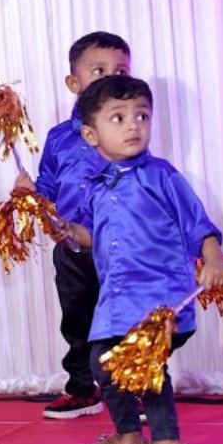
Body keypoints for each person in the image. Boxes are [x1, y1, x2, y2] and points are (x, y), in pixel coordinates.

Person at [65, 76, 223, 444]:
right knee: (102, 363)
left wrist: (214, 258)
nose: (134, 125)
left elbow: (197, 224)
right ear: (91, 135)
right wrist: (63, 228)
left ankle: (168, 441)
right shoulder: (97, 188)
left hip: (160, 300)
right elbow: (90, 236)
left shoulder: (162, 176)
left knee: (146, 364)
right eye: (118, 118)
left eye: (142, 116)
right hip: (116, 303)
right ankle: (128, 435)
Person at [15, 32, 131, 419]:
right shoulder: (58, 138)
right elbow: (49, 185)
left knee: (123, 321)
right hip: (71, 248)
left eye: (120, 71)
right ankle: (82, 389)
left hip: (118, 247)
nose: (110, 77)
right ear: (74, 82)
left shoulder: (125, 135)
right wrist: (30, 193)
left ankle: (133, 391)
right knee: (77, 321)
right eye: (98, 70)